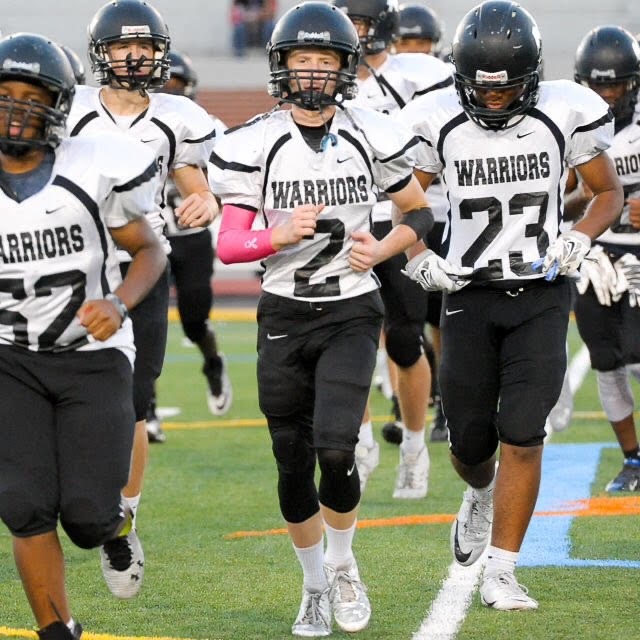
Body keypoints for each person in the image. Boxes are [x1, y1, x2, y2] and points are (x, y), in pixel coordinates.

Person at [210, 2, 432, 634]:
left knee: (336, 449)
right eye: (302, 61)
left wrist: (385, 247)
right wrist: (273, 237)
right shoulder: (253, 141)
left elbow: (419, 213)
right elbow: (230, 245)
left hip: (350, 309)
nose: (312, 73)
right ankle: (311, 586)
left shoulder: (373, 131)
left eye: (325, 61)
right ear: (282, 67)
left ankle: (342, 564)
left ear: (345, 67)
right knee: (289, 457)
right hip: (283, 310)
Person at [398, 0, 622, 610]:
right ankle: (480, 492)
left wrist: (578, 238)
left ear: (534, 75)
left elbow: (607, 192)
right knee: (470, 444)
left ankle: (502, 568)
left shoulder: (564, 111)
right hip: (468, 292)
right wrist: (418, 253)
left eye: (508, 88)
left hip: (542, 292)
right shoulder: (435, 117)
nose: (493, 99)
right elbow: (405, 196)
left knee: (524, 430)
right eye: (481, 88)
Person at [0, 32, 166, 639]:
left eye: (30, 95)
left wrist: (120, 304)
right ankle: (57, 631)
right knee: (22, 506)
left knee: (89, 518)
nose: (16, 109)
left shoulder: (92, 167)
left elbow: (149, 250)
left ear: (59, 104)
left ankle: (118, 528)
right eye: (3, 95)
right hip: (10, 357)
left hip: (90, 356)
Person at [66, 0, 218, 598]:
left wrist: (205, 200)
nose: (135, 57)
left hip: (142, 264)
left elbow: (195, 182)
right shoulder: (72, 108)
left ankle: (124, 519)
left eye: (146, 47)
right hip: (68, 263)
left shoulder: (179, 115)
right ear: (100, 52)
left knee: (133, 398)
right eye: (123, 47)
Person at [331, 0, 453, 496]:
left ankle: (415, 444)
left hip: (414, 212)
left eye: (361, 23)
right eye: (349, 23)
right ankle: (360, 439)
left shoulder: (421, 72)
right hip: (355, 216)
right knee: (348, 332)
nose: (354, 33)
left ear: (382, 27)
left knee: (405, 338)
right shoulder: (331, 77)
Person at [145, 50, 231, 442]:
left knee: (194, 320)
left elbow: (233, 176)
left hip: (192, 236)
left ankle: (212, 362)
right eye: (166, 86)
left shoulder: (206, 126)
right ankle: (147, 412)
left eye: (178, 87)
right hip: (146, 238)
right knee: (147, 323)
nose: (171, 93)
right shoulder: (136, 123)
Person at [570, 26, 640, 492]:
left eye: (615, 84)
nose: (607, 95)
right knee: (606, 359)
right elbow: (569, 198)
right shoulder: (570, 126)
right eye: (598, 85)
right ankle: (633, 460)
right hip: (594, 253)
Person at [392, 2, 451, 443]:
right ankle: (404, 401)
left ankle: (447, 403)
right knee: (400, 319)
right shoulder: (373, 85)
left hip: (449, 212)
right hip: (405, 214)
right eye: (406, 42)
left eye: (421, 43)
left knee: (446, 317)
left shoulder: (451, 84)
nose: (414, 51)